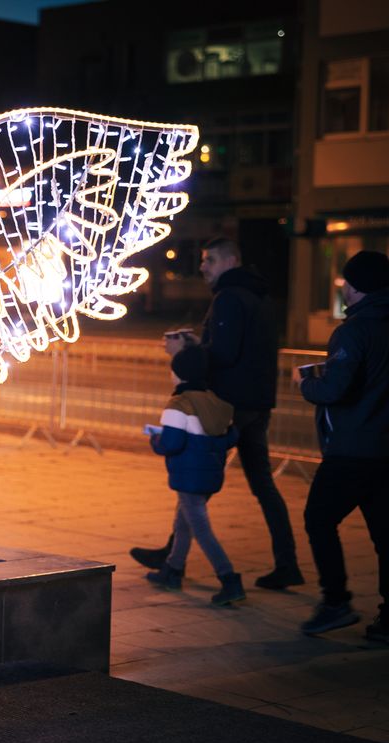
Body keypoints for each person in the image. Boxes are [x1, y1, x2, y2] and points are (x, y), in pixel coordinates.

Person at [133, 237, 302, 590]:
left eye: (209, 260)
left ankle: (183, 565)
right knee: (261, 485)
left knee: (193, 487)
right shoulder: (259, 296)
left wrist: (187, 352)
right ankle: (286, 563)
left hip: (228, 406)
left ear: (230, 261)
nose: (202, 266)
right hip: (257, 403)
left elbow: (223, 355)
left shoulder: (229, 298)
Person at [297, 251, 389, 646]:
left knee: (319, 519)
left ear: (356, 286)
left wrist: (307, 385)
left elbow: (335, 390)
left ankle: (336, 602)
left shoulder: (353, 332)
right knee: (388, 536)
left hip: (354, 450)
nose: (344, 289)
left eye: (347, 283)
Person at [145, 347, 244, 605]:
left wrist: (156, 439)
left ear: (179, 374)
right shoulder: (215, 402)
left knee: (200, 528)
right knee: (183, 523)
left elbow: (172, 443)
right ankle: (173, 570)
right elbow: (230, 436)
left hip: (188, 475)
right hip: (210, 474)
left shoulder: (179, 404)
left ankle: (229, 578)